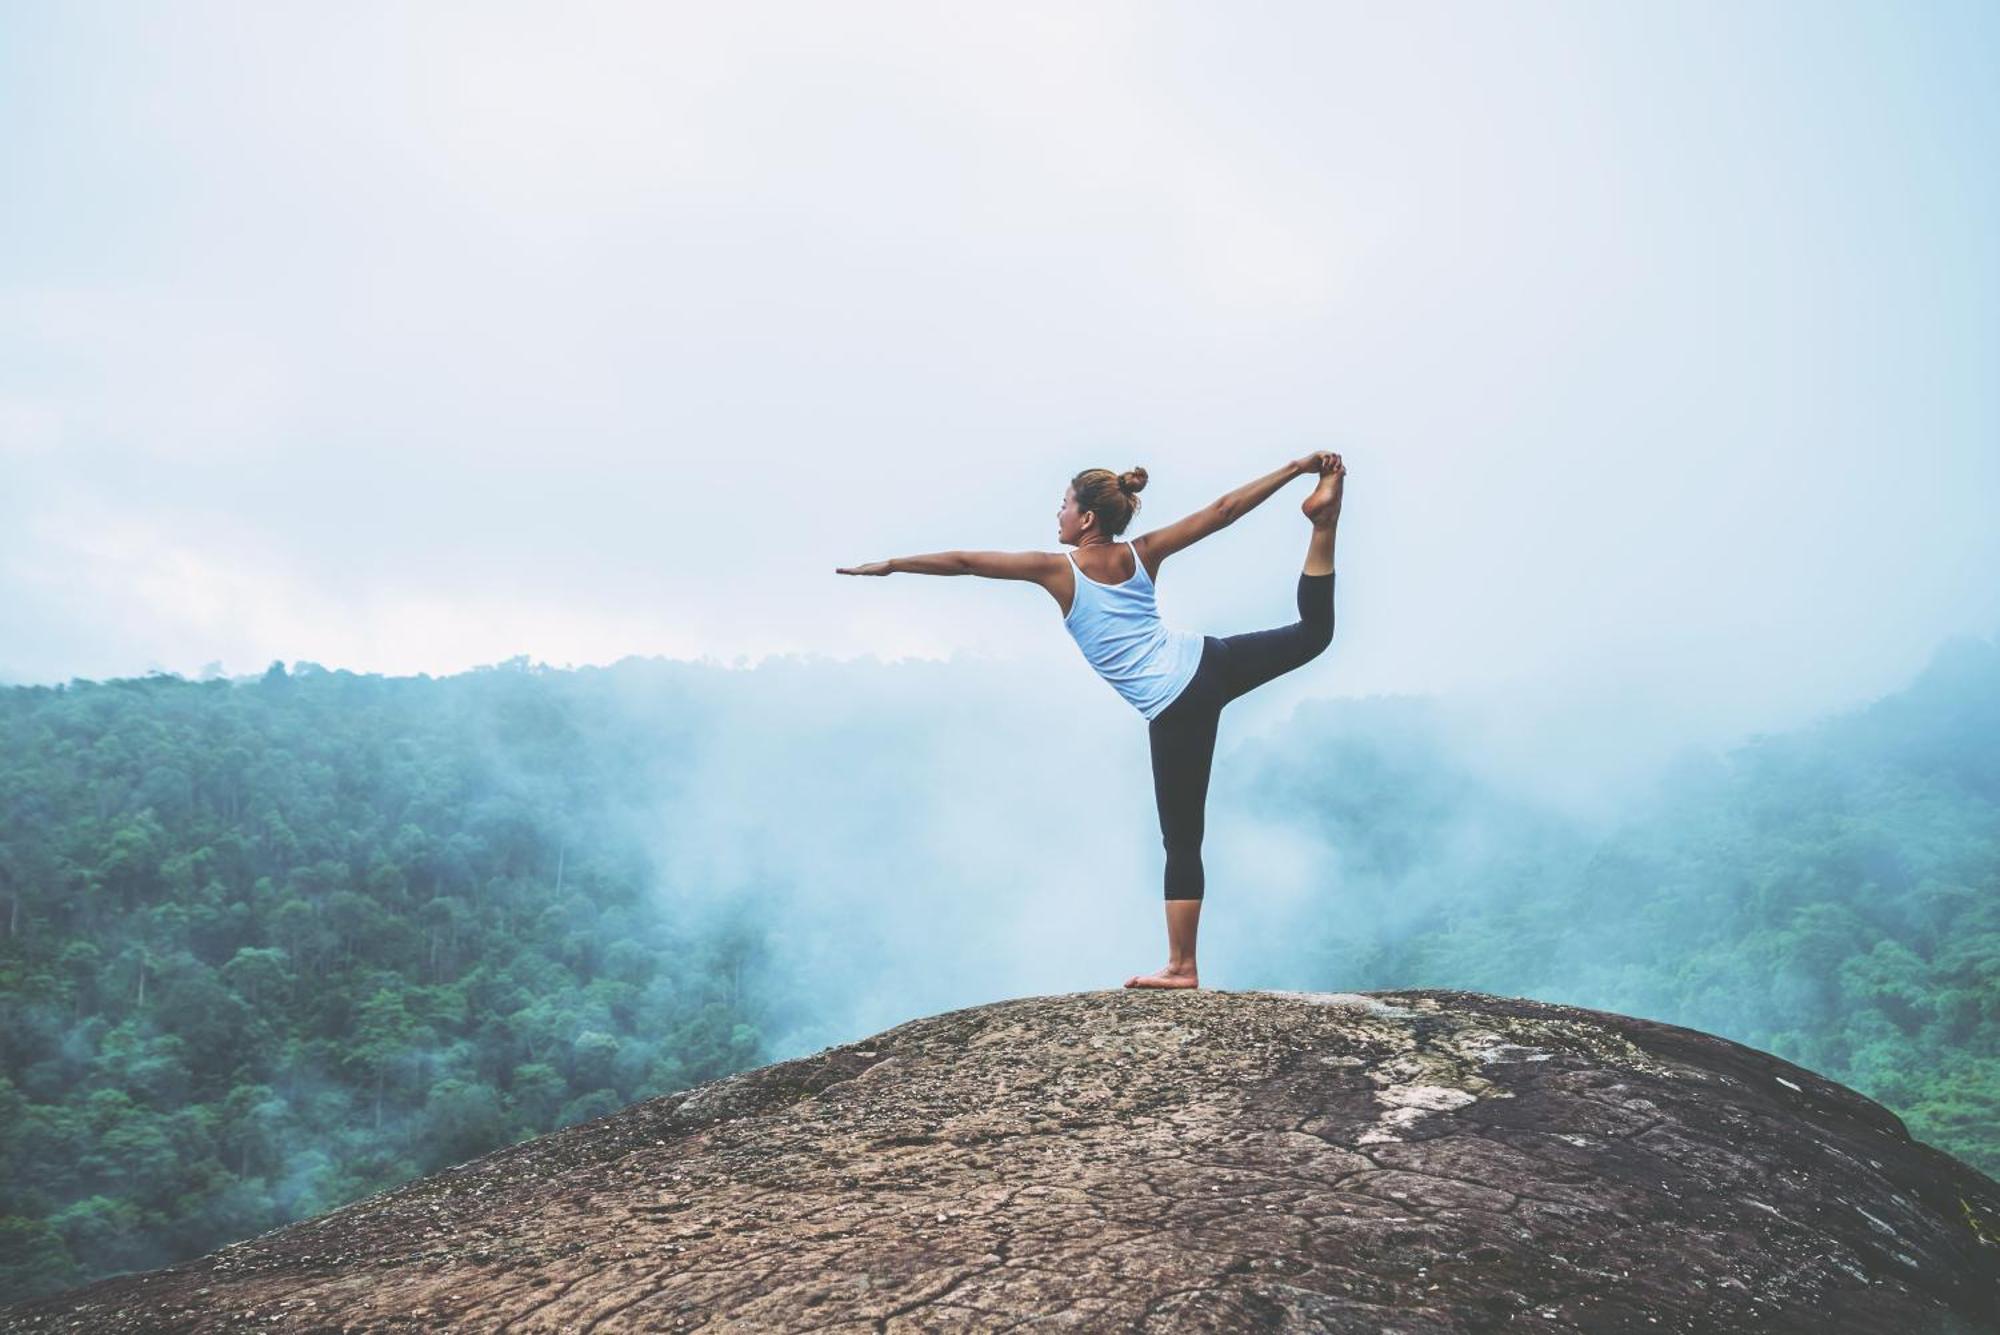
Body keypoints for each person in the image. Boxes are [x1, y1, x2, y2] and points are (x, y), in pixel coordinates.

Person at [837, 452, 1345, 990]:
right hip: (1209, 661)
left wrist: (891, 565)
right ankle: (1323, 523)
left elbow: (965, 561)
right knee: (1313, 634)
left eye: (1063, 506)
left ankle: (1181, 967)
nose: (1056, 515)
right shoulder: (1143, 552)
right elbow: (1222, 512)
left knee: (1182, 840)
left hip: (1175, 704)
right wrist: (1295, 469)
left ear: (1085, 520)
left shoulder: (1057, 571)